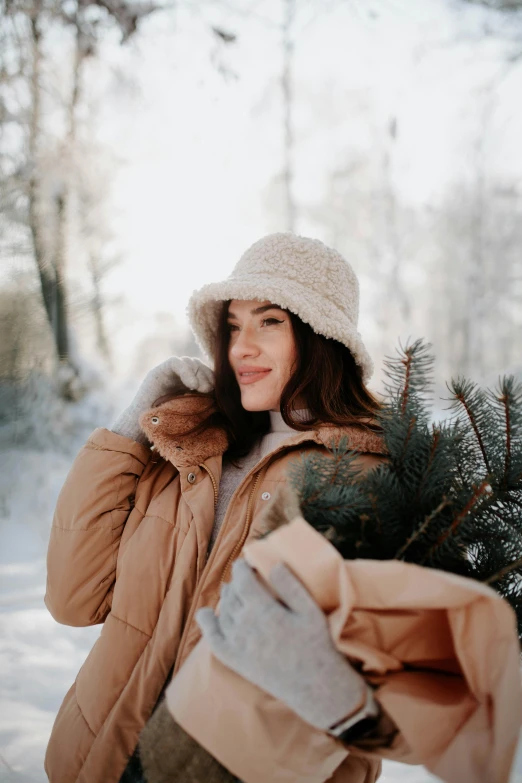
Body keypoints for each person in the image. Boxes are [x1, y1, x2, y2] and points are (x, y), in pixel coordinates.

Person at [44, 232, 395, 783]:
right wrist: (130, 427)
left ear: (322, 335)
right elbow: (73, 599)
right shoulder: (189, 455)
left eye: (269, 321)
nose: (241, 348)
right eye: (233, 326)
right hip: (102, 760)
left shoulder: (367, 478)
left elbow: (375, 698)